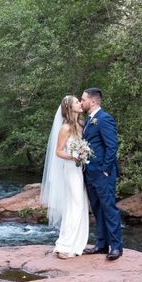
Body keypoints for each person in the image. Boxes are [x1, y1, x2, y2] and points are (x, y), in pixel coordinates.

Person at [40, 95, 89, 259]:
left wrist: (82, 155)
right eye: (76, 102)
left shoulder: (80, 124)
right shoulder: (66, 127)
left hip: (79, 170)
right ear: (69, 108)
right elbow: (58, 151)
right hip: (70, 169)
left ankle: (77, 244)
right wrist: (74, 156)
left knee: (80, 204)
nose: (80, 103)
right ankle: (63, 246)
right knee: (75, 205)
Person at [80, 88, 123, 260]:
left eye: (83, 99)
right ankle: (101, 244)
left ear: (92, 101)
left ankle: (116, 246)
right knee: (97, 209)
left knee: (109, 208)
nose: (81, 102)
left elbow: (112, 146)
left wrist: (105, 169)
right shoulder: (89, 120)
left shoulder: (104, 119)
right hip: (89, 172)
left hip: (103, 173)